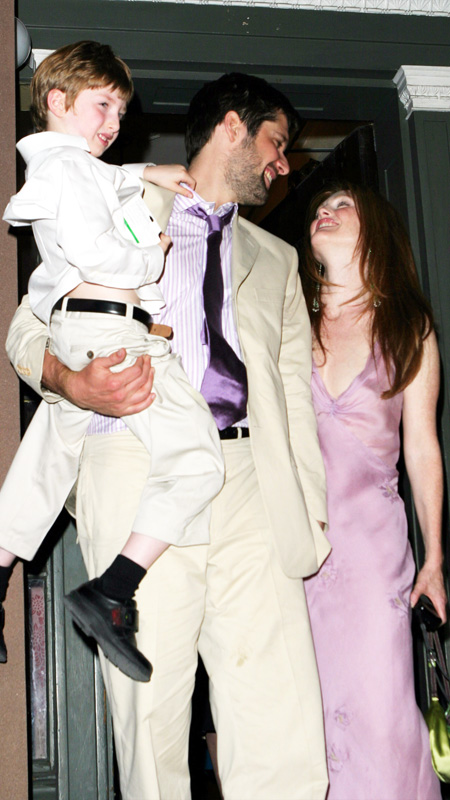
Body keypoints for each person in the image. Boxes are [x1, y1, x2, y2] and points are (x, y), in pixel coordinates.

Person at [5, 72, 331, 800]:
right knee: (149, 708)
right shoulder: (118, 195)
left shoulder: (277, 259)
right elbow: (28, 326)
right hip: (135, 460)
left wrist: (307, 510)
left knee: (278, 710)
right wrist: (68, 380)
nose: (284, 165)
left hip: (253, 481)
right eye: (276, 142)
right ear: (232, 126)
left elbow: (294, 400)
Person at [0, 41, 225, 682]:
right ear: (57, 100)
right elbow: (98, 253)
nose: (114, 123)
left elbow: (106, 180)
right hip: (110, 330)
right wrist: (153, 251)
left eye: (120, 112)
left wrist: (148, 171)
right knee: (198, 458)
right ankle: (113, 591)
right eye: (102, 105)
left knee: (44, 465)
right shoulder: (70, 171)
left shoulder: (70, 168)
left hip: (83, 331)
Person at [301, 180, 446, 799]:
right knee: (305, 728)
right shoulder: (288, 319)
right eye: (319, 208)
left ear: (375, 230)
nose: (325, 212)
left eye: (342, 206)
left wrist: (434, 558)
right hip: (294, 553)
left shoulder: (408, 328)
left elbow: (422, 449)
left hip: (372, 558)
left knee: (381, 722)